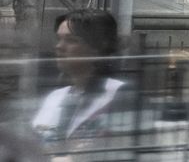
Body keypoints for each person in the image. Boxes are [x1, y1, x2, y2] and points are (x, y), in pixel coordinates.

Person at [31, 9, 135, 154]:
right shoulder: (55, 97)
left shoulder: (121, 96)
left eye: (71, 40)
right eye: (59, 39)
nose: (59, 47)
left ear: (97, 48)